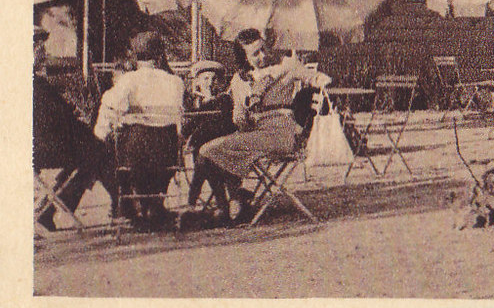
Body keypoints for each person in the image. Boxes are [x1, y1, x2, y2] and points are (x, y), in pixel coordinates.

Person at [199, 29, 330, 222]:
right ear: (244, 58)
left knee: (213, 150)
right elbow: (239, 120)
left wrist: (320, 79)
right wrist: (243, 110)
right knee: (207, 153)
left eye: (263, 49)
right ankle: (228, 204)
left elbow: (310, 75)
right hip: (256, 134)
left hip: (281, 133)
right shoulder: (239, 80)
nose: (263, 55)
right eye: (255, 53)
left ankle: (235, 202)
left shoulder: (284, 67)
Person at [93, 30, 186, 228]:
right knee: (146, 140)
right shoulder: (176, 82)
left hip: (138, 152)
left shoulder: (129, 80)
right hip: (168, 151)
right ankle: (153, 203)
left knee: (107, 147)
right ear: (160, 54)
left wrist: (100, 134)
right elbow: (178, 118)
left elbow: (110, 107)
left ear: (135, 55)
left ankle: (128, 205)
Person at [33, 25, 117, 230]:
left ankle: (52, 209)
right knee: (99, 153)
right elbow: (60, 122)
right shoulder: (34, 85)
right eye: (38, 48)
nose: (43, 54)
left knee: (91, 154)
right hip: (42, 149)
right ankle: (122, 205)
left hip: (39, 146)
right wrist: (87, 134)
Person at [183, 60, 236, 216]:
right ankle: (221, 205)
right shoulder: (193, 102)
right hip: (200, 147)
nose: (210, 83)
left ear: (219, 82)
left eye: (213, 79)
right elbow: (189, 125)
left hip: (221, 145)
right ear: (198, 81)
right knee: (203, 162)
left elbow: (224, 123)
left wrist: (208, 102)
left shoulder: (224, 99)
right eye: (205, 79)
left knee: (203, 163)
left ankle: (192, 204)